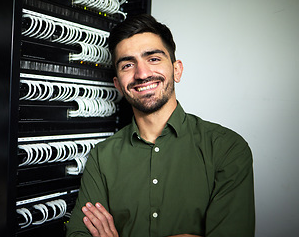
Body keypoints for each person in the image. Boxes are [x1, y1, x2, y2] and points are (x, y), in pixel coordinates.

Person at [66, 14, 255, 237]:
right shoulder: (102, 157)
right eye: (127, 65)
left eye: (153, 59)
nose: (142, 74)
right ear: (118, 84)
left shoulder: (227, 148)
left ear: (177, 70)